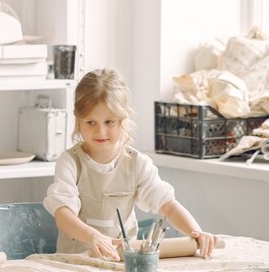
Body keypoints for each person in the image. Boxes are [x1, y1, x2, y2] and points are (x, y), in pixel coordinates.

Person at [43, 68, 219, 261]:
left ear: (123, 119)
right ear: (78, 121)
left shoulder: (137, 164)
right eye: (90, 122)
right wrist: (93, 235)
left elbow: (168, 206)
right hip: (76, 262)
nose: (100, 131)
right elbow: (63, 214)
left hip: (123, 263)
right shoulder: (70, 162)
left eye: (109, 122)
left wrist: (197, 233)